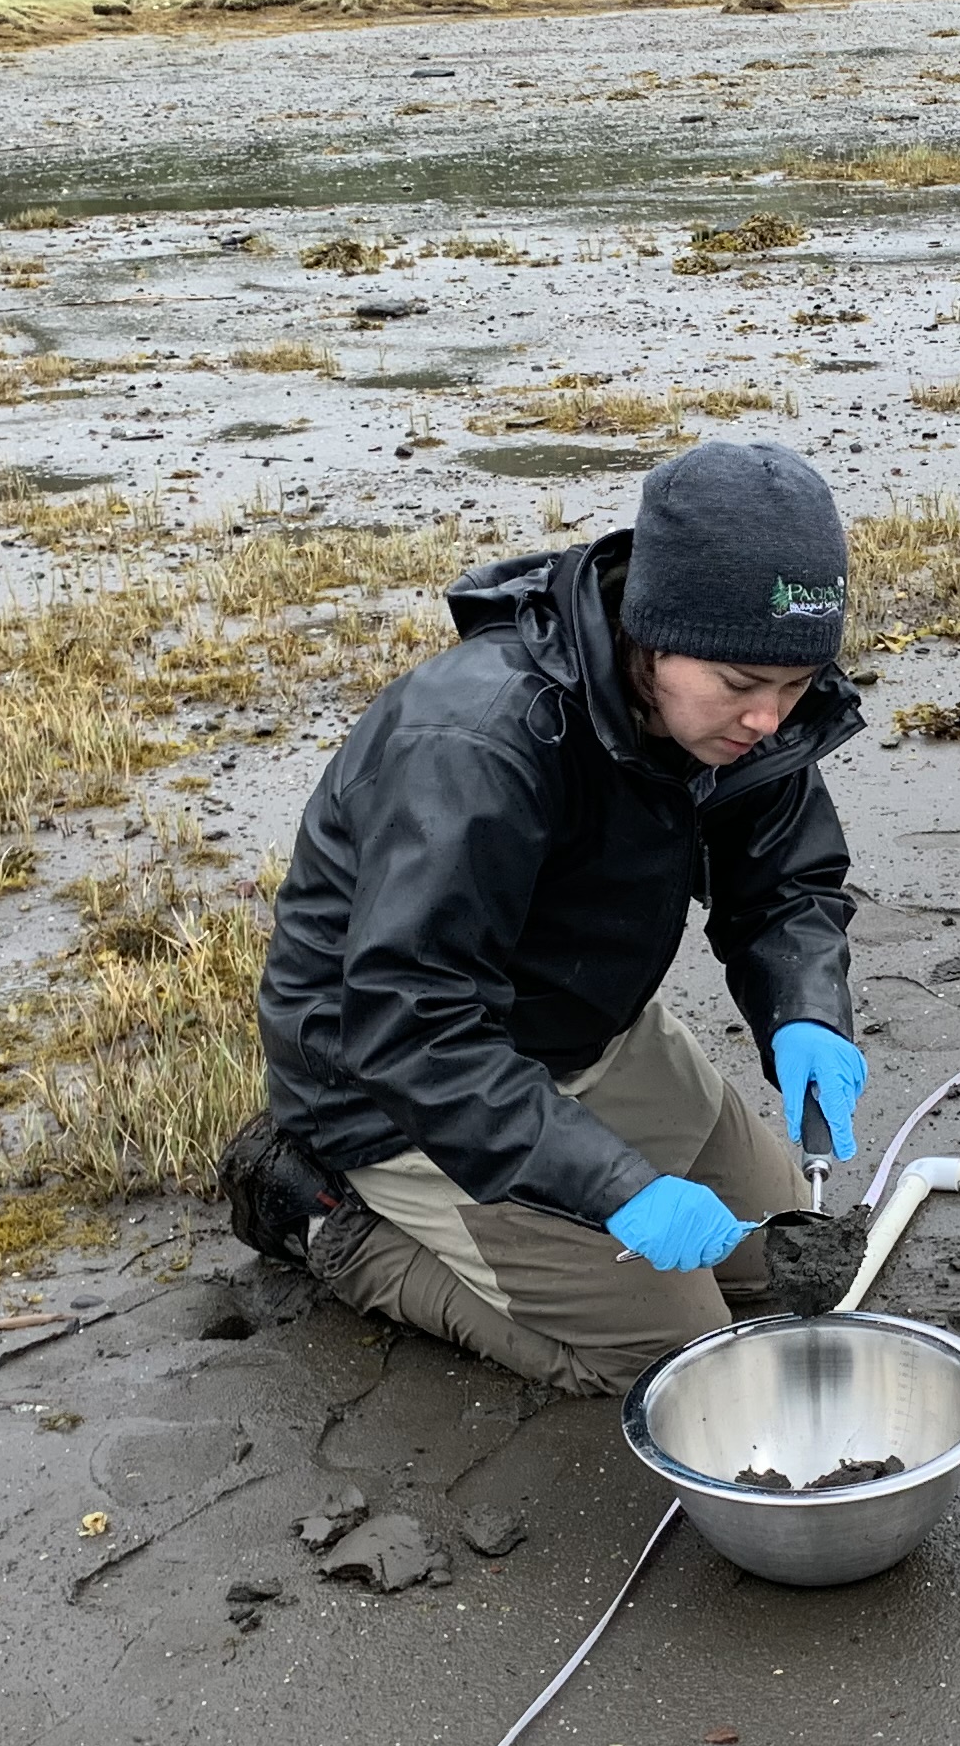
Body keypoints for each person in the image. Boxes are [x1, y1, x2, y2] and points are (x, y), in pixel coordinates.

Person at [224, 442, 871, 1396]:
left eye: (796, 685)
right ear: (652, 632)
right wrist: (617, 1188)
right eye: (741, 685)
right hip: (394, 1081)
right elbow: (412, 1023)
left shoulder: (736, 716)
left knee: (792, 1266)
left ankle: (578, 1177)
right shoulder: (479, 739)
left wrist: (806, 1009)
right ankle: (330, 1221)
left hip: (583, 1027)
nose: (771, 720)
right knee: (675, 1355)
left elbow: (782, 888)